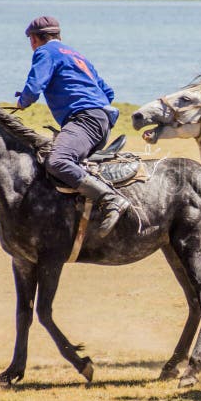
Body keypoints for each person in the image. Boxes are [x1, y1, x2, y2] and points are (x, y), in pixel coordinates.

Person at [16, 16, 129, 237]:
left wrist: (23, 102)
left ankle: (109, 198)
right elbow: (109, 93)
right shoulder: (77, 55)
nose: (32, 45)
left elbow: (35, 86)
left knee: (57, 161)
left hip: (84, 120)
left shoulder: (44, 52)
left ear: (35, 39)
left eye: (31, 40)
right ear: (58, 35)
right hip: (101, 121)